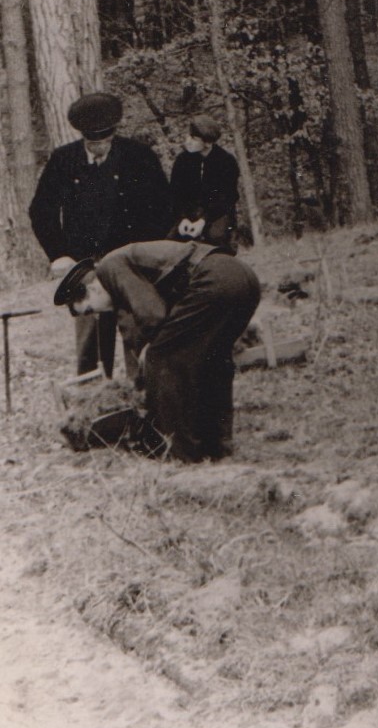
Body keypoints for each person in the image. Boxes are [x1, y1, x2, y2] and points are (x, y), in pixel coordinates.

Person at [53, 240, 261, 463]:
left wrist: (149, 350)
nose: (98, 314)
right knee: (211, 360)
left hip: (214, 280)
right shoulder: (118, 270)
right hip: (242, 278)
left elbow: (153, 315)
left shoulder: (109, 268)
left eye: (91, 309)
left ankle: (181, 453)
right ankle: (217, 446)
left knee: (161, 359)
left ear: (93, 288)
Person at [29, 92, 171, 377]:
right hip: (83, 262)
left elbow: (164, 208)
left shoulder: (139, 156)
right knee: (88, 330)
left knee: (136, 325)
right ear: (83, 137)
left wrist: (146, 253)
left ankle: (140, 384)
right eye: (92, 143)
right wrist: (59, 254)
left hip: (129, 260)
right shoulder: (64, 160)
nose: (99, 148)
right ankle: (91, 388)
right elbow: (41, 210)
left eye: (105, 142)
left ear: (114, 133)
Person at [170, 115, 240, 250]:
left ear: (208, 143)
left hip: (217, 213)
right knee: (169, 244)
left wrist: (203, 221)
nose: (188, 141)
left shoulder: (226, 161)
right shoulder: (182, 160)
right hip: (188, 214)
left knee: (215, 239)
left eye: (194, 139)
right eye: (188, 136)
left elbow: (227, 198)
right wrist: (183, 218)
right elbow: (175, 194)